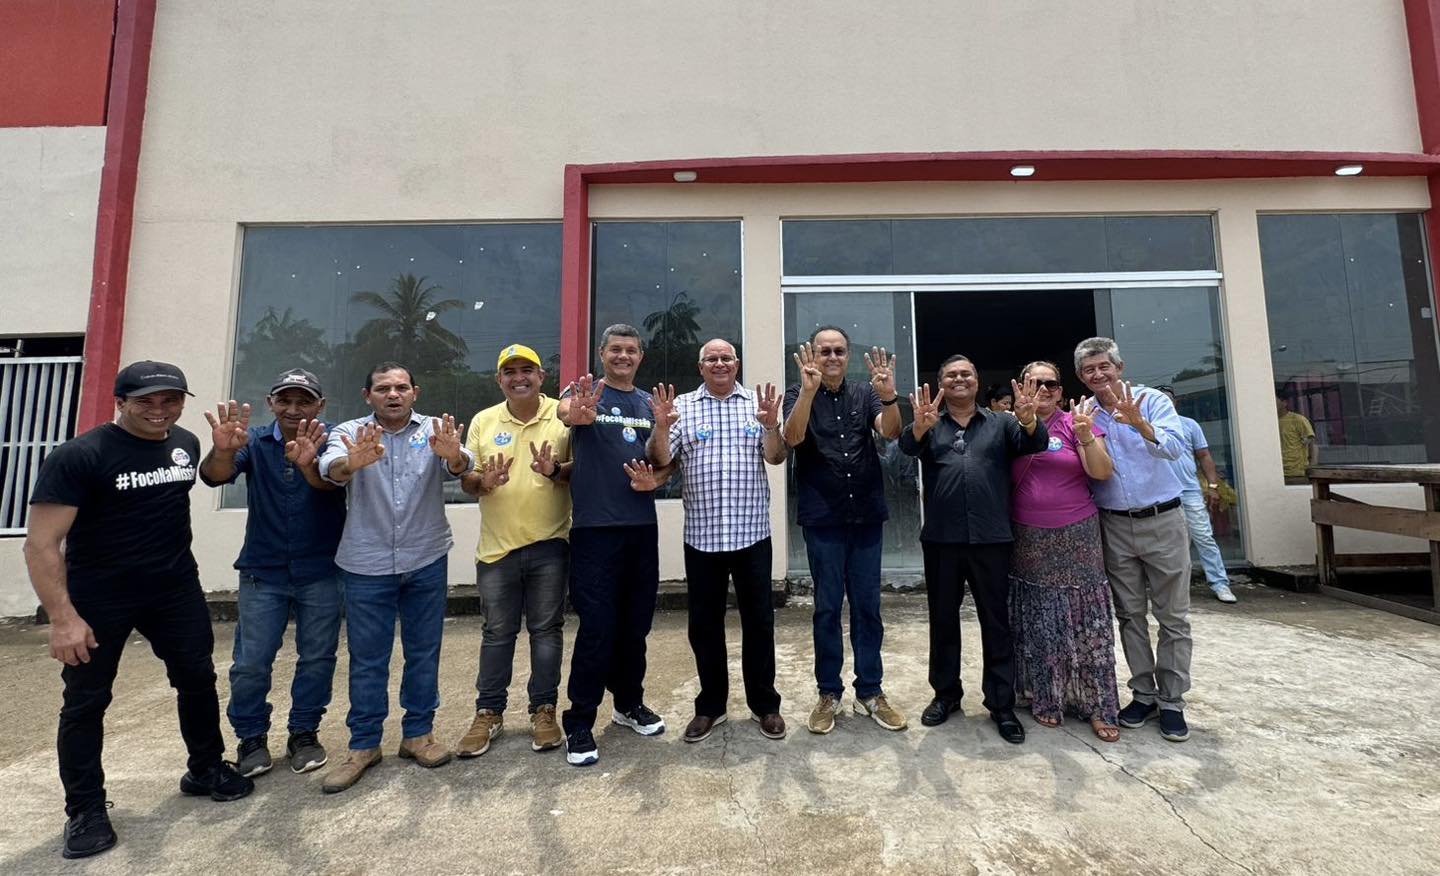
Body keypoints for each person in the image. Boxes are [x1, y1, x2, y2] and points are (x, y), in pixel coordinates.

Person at [24, 361, 253, 860]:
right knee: (87, 701)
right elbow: (41, 544)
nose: (159, 409)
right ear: (120, 401)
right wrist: (63, 618)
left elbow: (211, 478)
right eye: (145, 400)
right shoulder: (80, 456)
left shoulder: (183, 441)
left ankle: (205, 767)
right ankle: (84, 809)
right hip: (99, 596)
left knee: (196, 678)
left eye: (170, 399)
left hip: (174, 587)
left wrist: (223, 451)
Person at [315, 362, 473, 792]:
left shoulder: (437, 429)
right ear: (368, 395)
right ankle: (364, 745)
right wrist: (353, 462)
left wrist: (454, 457)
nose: (394, 394)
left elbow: (461, 467)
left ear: (415, 392)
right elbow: (331, 468)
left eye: (402, 387)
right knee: (368, 659)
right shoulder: (349, 432)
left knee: (424, 652)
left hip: (425, 557)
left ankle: (418, 735)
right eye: (383, 388)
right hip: (366, 563)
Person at [199, 368, 347, 779]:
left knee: (317, 657)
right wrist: (225, 450)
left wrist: (307, 464)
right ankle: (250, 738)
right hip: (263, 572)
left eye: (304, 401)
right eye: (285, 400)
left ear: (321, 405)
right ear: (271, 404)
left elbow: (333, 484)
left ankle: (304, 732)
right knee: (250, 662)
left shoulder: (332, 439)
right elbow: (215, 475)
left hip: (322, 569)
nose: (294, 409)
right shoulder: (256, 441)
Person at [900, 356, 1048, 744]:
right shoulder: (931, 422)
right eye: (951, 374)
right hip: (942, 541)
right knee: (943, 621)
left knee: (996, 623)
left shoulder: (1001, 424)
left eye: (966, 373)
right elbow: (905, 448)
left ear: (977, 381)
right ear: (942, 383)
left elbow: (1035, 441)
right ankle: (945, 694)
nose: (959, 379)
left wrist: (1029, 418)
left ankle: (1001, 704)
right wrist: (918, 427)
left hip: (992, 539)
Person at [648, 338, 788, 743]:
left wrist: (771, 426)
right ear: (701, 366)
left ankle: (765, 705)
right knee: (704, 627)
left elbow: (776, 458)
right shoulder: (684, 409)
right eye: (712, 359)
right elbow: (661, 461)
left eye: (726, 358)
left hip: (752, 536)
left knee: (759, 624)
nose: (720, 364)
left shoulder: (757, 406)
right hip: (703, 539)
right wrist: (661, 426)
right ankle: (711, 705)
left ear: (737, 364)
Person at [782, 325, 907, 734]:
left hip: (866, 517)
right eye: (824, 351)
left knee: (869, 608)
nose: (831, 357)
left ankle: (870, 691)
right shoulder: (796, 393)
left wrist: (889, 395)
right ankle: (828, 693)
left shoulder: (865, 392)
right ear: (812, 356)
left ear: (848, 355)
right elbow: (792, 438)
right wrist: (807, 393)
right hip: (824, 520)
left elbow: (890, 430)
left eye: (838, 351)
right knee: (827, 609)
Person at [556, 324, 672, 766]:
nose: (624, 356)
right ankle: (580, 721)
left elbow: (661, 460)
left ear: (640, 356)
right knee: (597, 628)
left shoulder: (646, 402)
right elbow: (570, 413)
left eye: (631, 350)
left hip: (640, 528)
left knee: (635, 626)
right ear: (602, 353)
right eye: (615, 349)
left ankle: (628, 704)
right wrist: (578, 413)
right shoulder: (585, 391)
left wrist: (661, 427)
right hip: (594, 530)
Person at [453, 344, 572, 758]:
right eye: (510, 372)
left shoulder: (563, 415)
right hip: (497, 550)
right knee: (497, 634)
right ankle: (488, 712)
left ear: (542, 377)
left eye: (527, 370)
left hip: (550, 544)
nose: (518, 377)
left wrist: (554, 470)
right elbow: (468, 479)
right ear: (499, 379)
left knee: (546, 632)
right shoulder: (485, 421)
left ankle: (544, 709)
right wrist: (484, 482)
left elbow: (579, 471)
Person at [1074, 337, 1194, 743]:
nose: (1098, 374)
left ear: (1119, 367)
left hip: (1163, 520)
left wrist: (1138, 423)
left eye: (1104, 366)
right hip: (1114, 525)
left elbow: (1175, 448)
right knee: (1129, 615)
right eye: (1089, 370)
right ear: (1081, 377)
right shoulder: (1086, 414)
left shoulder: (1153, 400)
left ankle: (1173, 701)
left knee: (1173, 617)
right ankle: (1143, 694)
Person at [1005, 361, 1121, 742]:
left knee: (1086, 623)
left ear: (1060, 389)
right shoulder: (1007, 425)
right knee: (1039, 621)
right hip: (1028, 538)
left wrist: (1086, 437)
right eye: (1034, 383)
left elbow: (1102, 472)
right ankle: (1046, 696)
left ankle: (1097, 705)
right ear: (1021, 386)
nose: (1043, 390)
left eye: (1051, 384)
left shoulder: (1078, 421)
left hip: (1078, 536)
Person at [1156, 386, 1237, 604]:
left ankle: (1220, 583)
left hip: (1189, 491)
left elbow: (1204, 455)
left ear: (1175, 402)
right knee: (1168, 545)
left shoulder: (1189, 425)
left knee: (1203, 537)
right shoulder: (1147, 425)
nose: (1164, 403)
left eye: (1167, 399)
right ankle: (1174, 589)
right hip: (1161, 495)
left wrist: (1212, 485)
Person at [1277, 388, 1318, 484]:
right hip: (1278, 472)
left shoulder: (1298, 420)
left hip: (1297, 473)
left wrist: (1312, 467)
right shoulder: (1270, 421)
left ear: (1284, 403)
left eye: (1274, 400)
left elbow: (1312, 444)